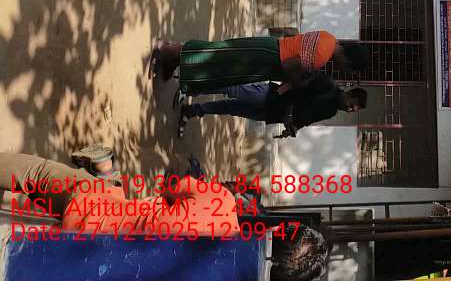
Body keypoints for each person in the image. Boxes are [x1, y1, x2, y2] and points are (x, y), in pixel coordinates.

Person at [0, 151, 242, 236]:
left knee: (37, 173)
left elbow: (172, 190)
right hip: (82, 256)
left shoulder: (222, 200)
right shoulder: (215, 268)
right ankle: (104, 168)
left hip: (91, 207)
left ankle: (103, 166)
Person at [150, 30, 369, 97]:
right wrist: (297, 83)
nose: (345, 71)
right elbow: (289, 66)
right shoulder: (322, 55)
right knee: (217, 54)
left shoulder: (329, 38)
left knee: (220, 65)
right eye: (349, 69)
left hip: (268, 50)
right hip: (266, 58)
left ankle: (174, 61)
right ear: (349, 60)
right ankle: (168, 49)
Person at [176, 77, 368, 138]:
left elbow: (307, 120)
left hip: (271, 114)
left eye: (353, 110)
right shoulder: (328, 86)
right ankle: (191, 88)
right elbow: (298, 85)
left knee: (230, 108)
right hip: (272, 96)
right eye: (352, 106)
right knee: (232, 90)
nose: (350, 110)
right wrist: (290, 113)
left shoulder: (331, 111)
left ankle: (192, 111)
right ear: (350, 94)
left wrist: (293, 128)